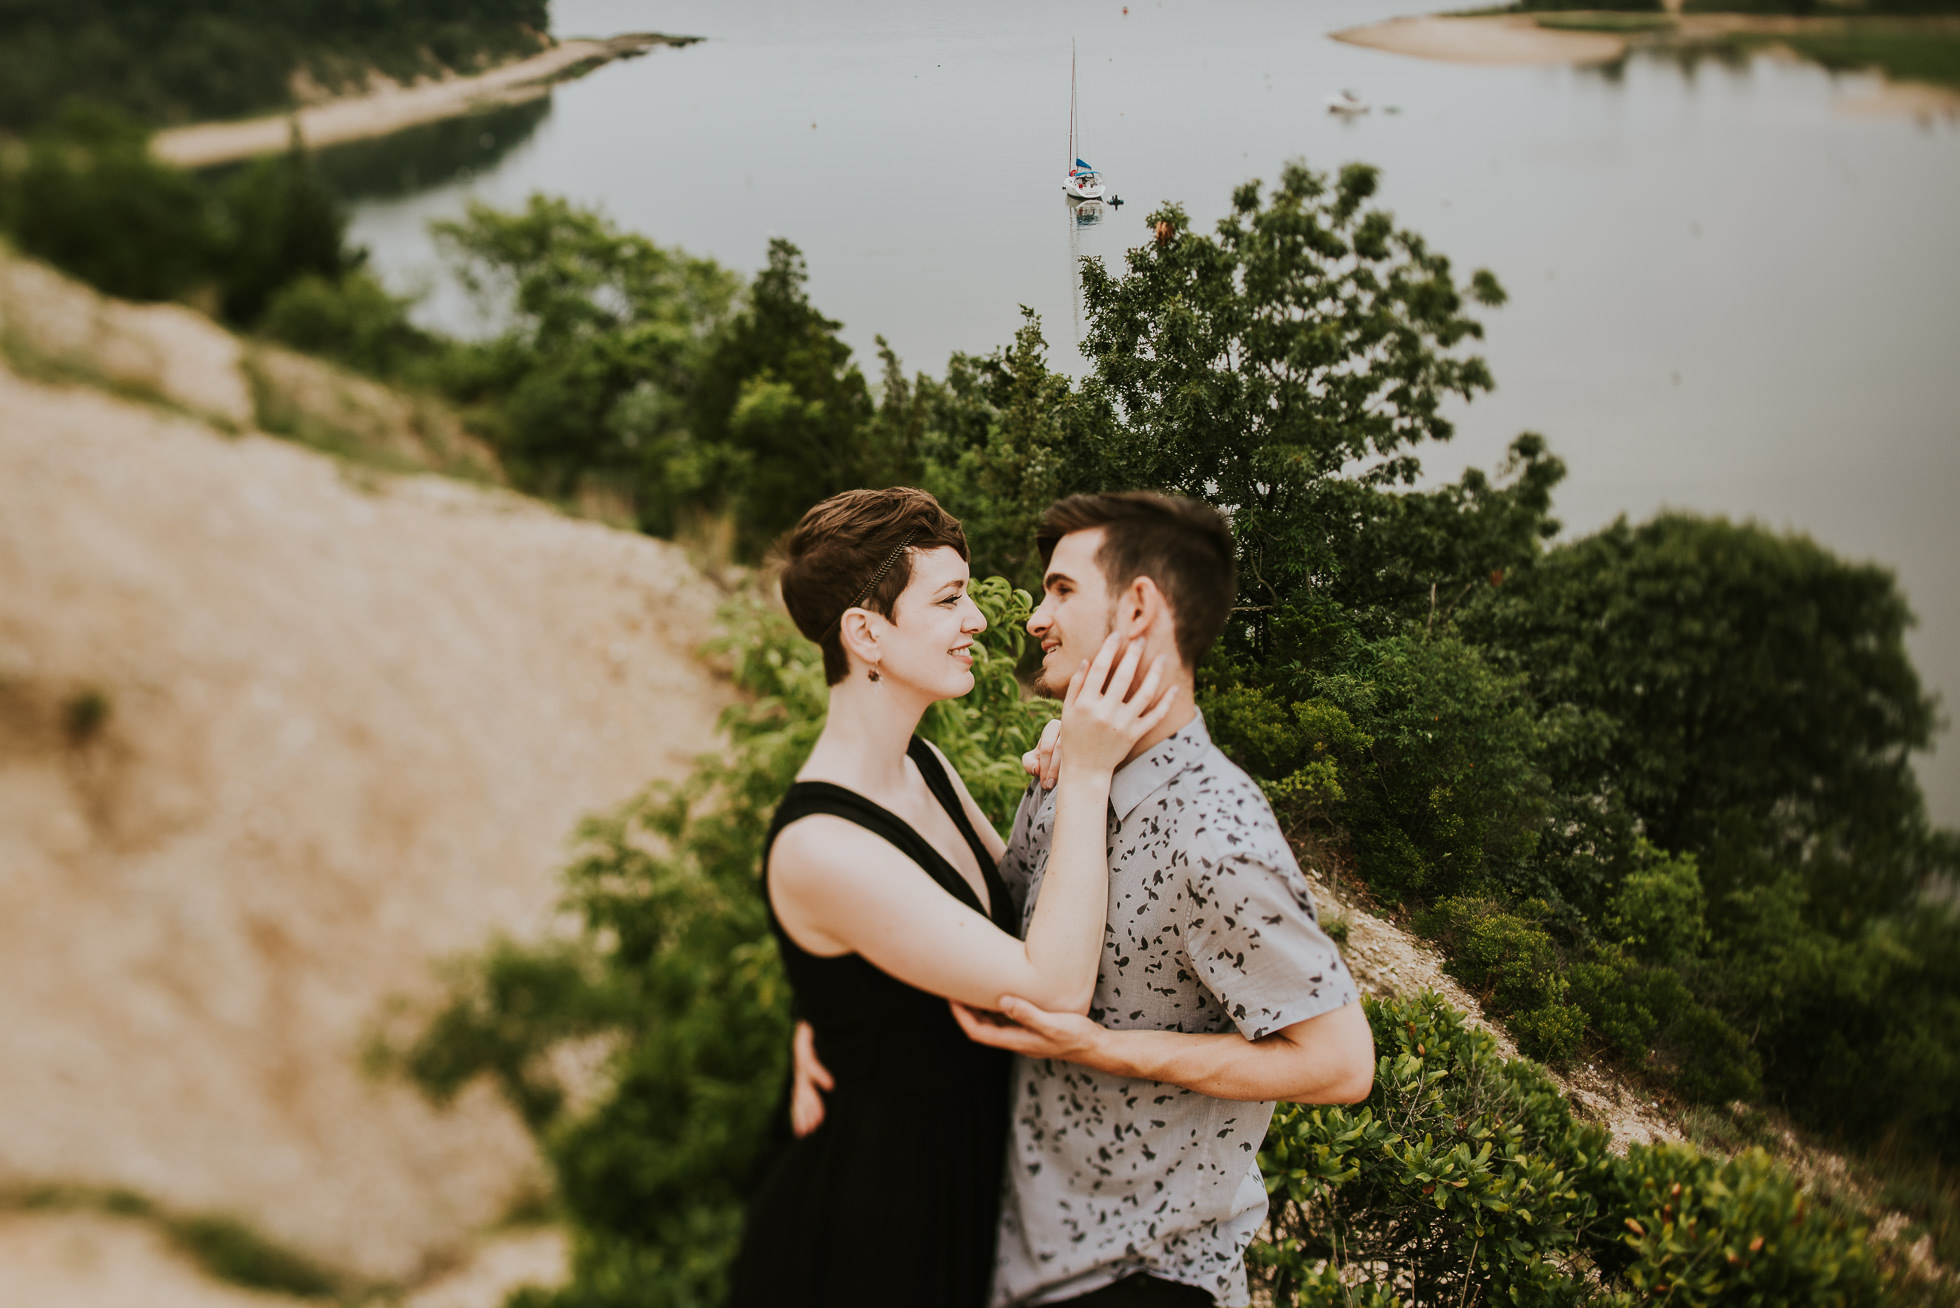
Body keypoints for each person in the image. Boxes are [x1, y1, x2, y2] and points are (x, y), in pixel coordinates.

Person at [792, 491, 1376, 1307]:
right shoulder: (1071, 770)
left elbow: (1344, 1064)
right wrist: (843, 1005)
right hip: (1009, 1248)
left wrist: (1105, 1048)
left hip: (1142, 1274)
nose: (1029, 617)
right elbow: (972, 923)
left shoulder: (1215, 834)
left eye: (1061, 590)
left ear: (1138, 607)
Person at [727, 487, 1179, 1308]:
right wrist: (1083, 772)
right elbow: (1052, 985)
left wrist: (1069, 774)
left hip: (960, 1185)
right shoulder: (819, 844)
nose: (977, 619)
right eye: (949, 599)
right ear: (866, 632)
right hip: (871, 1230)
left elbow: (1029, 905)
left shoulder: (925, 767)